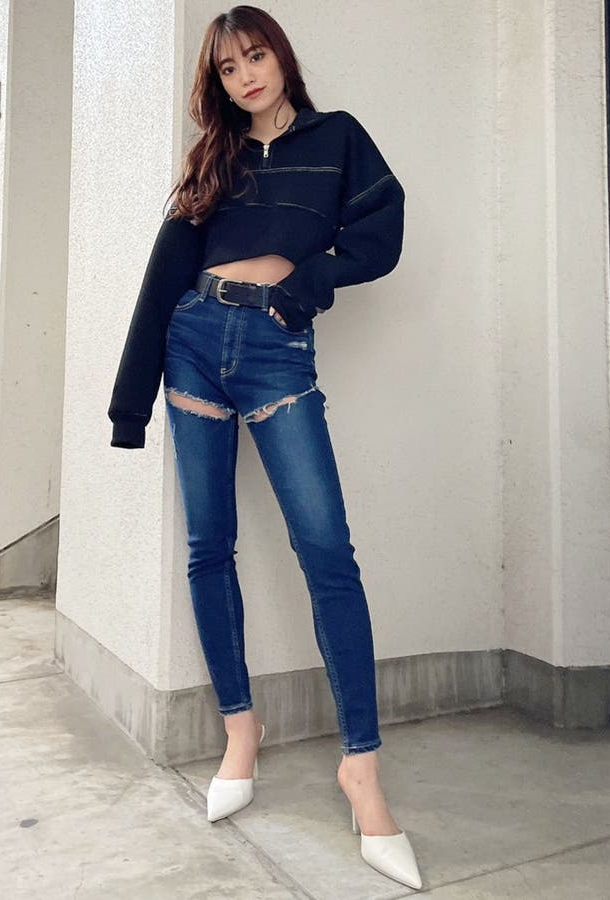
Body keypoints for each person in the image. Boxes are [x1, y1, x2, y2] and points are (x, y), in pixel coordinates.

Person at [108, 5, 420, 890]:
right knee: (210, 546)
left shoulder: (337, 139)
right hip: (192, 344)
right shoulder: (215, 157)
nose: (247, 74)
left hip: (277, 350)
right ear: (217, 82)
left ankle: (361, 767)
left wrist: (307, 283)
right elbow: (164, 278)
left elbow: (381, 233)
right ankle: (240, 731)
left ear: (280, 57)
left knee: (327, 552)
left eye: (256, 55)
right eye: (229, 66)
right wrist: (130, 405)